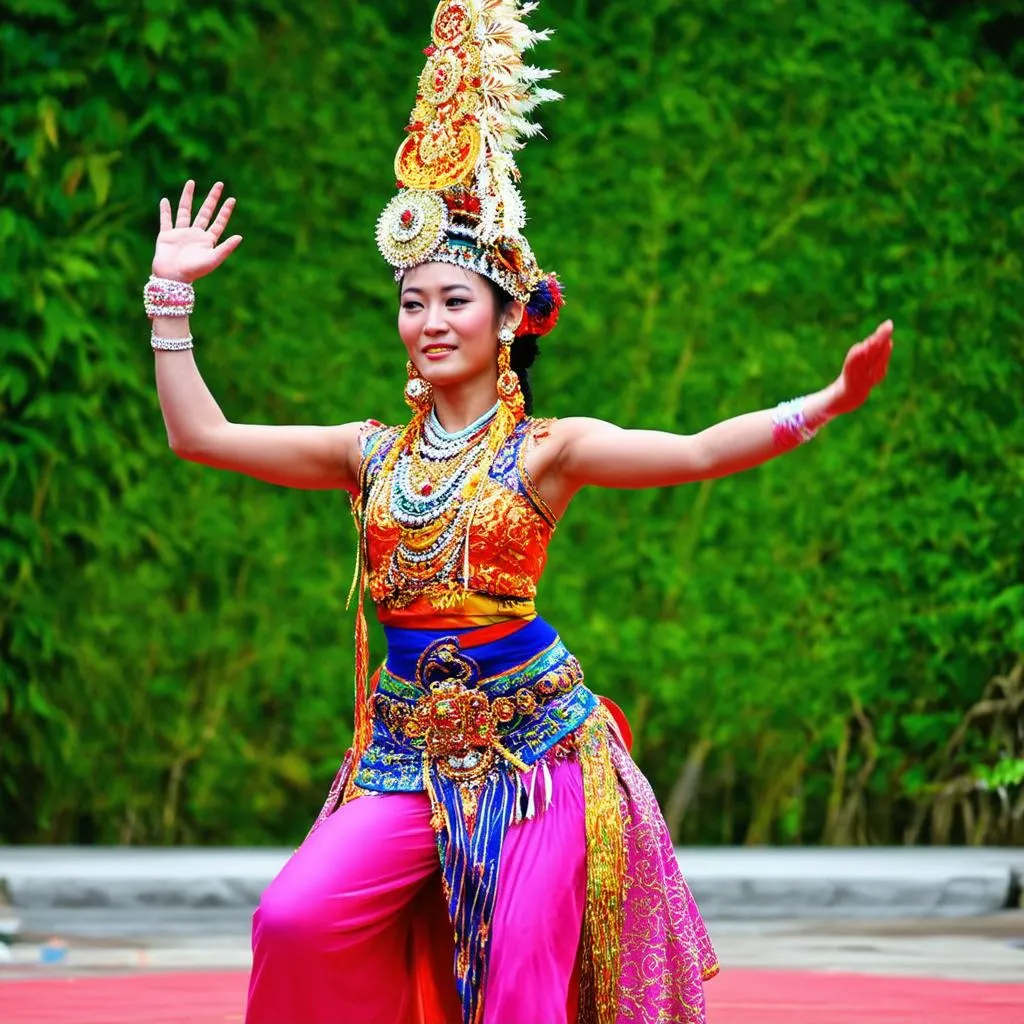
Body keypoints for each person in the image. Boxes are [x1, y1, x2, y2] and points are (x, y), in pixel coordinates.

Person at [145, 3, 893, 1022]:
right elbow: (203, 437)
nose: (429, 322)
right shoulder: (366, 454)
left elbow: (699, 450)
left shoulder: (547, 450)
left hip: (536, 756)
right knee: (294, 917)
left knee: (517, 974)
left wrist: (826, 403)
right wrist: (168, 301)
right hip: (403, 750)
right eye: (412, 302)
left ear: (505, 317)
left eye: (454, 300)